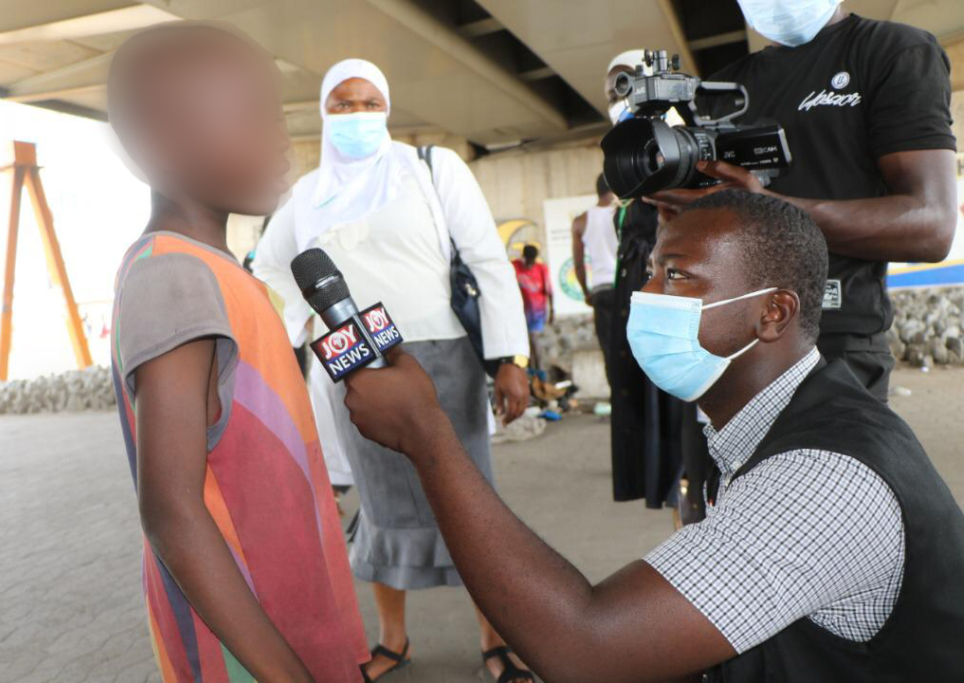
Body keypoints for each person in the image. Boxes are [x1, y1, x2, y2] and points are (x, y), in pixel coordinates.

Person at [344, 190, 964, 682]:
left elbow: (586, 648)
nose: (644, 298)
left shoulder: (821, 480)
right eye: (649, 273)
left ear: (772, 313)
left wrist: (429, 438)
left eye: (678, 276)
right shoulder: (773, 418)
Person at [253, 59, 533, 682]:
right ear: (324, 115)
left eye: (369, 102)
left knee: (468, 501)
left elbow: (488, 259)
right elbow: (268, 269)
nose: (357, 117)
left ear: (389, 105)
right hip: (355, 367)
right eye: (343, 106)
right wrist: (307, 322)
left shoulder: (431, 169)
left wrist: (512, 358)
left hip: (440, 361)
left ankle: (496, 641)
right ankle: (394, 640)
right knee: (380, 508)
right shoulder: (305, 197)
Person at [106, 24, 368, 682]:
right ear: (162, 138)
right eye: (255, 117)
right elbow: (170, 507)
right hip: (243, 648)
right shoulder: (174, 275)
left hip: (282, 611)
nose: (281, 140)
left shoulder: (217, 269)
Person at [646, 0, 958, 402]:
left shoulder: (893, 51)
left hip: (832, 343)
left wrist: (766, 211)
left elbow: (932, 226)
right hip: (726, 349)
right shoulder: (718, 91)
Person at [604, 51, 687, 514]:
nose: (625, 92)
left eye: (634, 80)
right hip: (640, 303)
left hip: (675, 306)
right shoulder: (624, 157)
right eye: (616, 85)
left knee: (684, 441)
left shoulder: (678, 144)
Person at [571, 173, 617, 383]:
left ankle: (617, 400)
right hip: (626, 288)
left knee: (609, 351)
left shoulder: (581, 221)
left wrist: (586, 292)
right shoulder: (623, 212)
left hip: (601, 291)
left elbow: (579, 264)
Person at [511, 244, 553, 373]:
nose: (529, 264)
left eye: (532, 261)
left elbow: (549, 291)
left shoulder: (541, 269)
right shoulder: (515, 266)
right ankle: (530, 371)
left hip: (537, 311)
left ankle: (540, 371)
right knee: (525, 343)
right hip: (519, 312)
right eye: (527, 261)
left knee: (534, 341)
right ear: (523, 257)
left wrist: (552, 310)